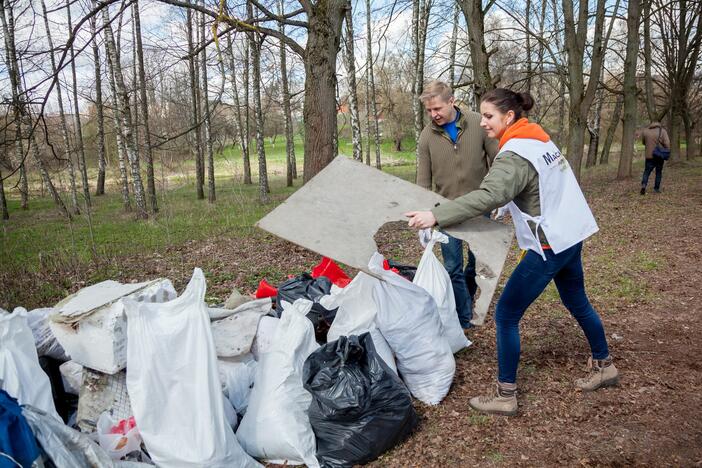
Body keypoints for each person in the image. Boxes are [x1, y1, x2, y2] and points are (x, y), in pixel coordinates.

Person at [405, 88, 618, 416]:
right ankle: (605, 364)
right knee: (577, 300)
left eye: (489, 116)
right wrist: (508, 204)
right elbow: (536, 183)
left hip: (548, 244)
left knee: (505, 314)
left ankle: (506, 393)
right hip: (569, 234)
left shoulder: (514, 152)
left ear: (509, 117)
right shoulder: (537, 139)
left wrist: (436, 216)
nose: (484, 123)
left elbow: (488, 193)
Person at [416, 80, 498, 330]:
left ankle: (467, 298)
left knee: (475, 264)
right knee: (453, 267)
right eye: (429, 111)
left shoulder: (477, 123)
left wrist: (498, 197)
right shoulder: (426, 136)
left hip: (478, 206)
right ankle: (463, 318)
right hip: (446, 211)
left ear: (452, 101)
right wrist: (424, 215)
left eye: (438, 109)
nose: (434, 115)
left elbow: (497, 160)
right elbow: (423, 179)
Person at [640, 122, 670, 194]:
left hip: (649, 155)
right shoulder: (662, 131)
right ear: (659, 125)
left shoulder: (645, 131)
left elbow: (643, 142)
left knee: (646, 172)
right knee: (658, 172)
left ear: (651, 125)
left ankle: (644, 185)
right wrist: (665, 149)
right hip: (659, 155)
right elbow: (667, 143)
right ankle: (656, 189)